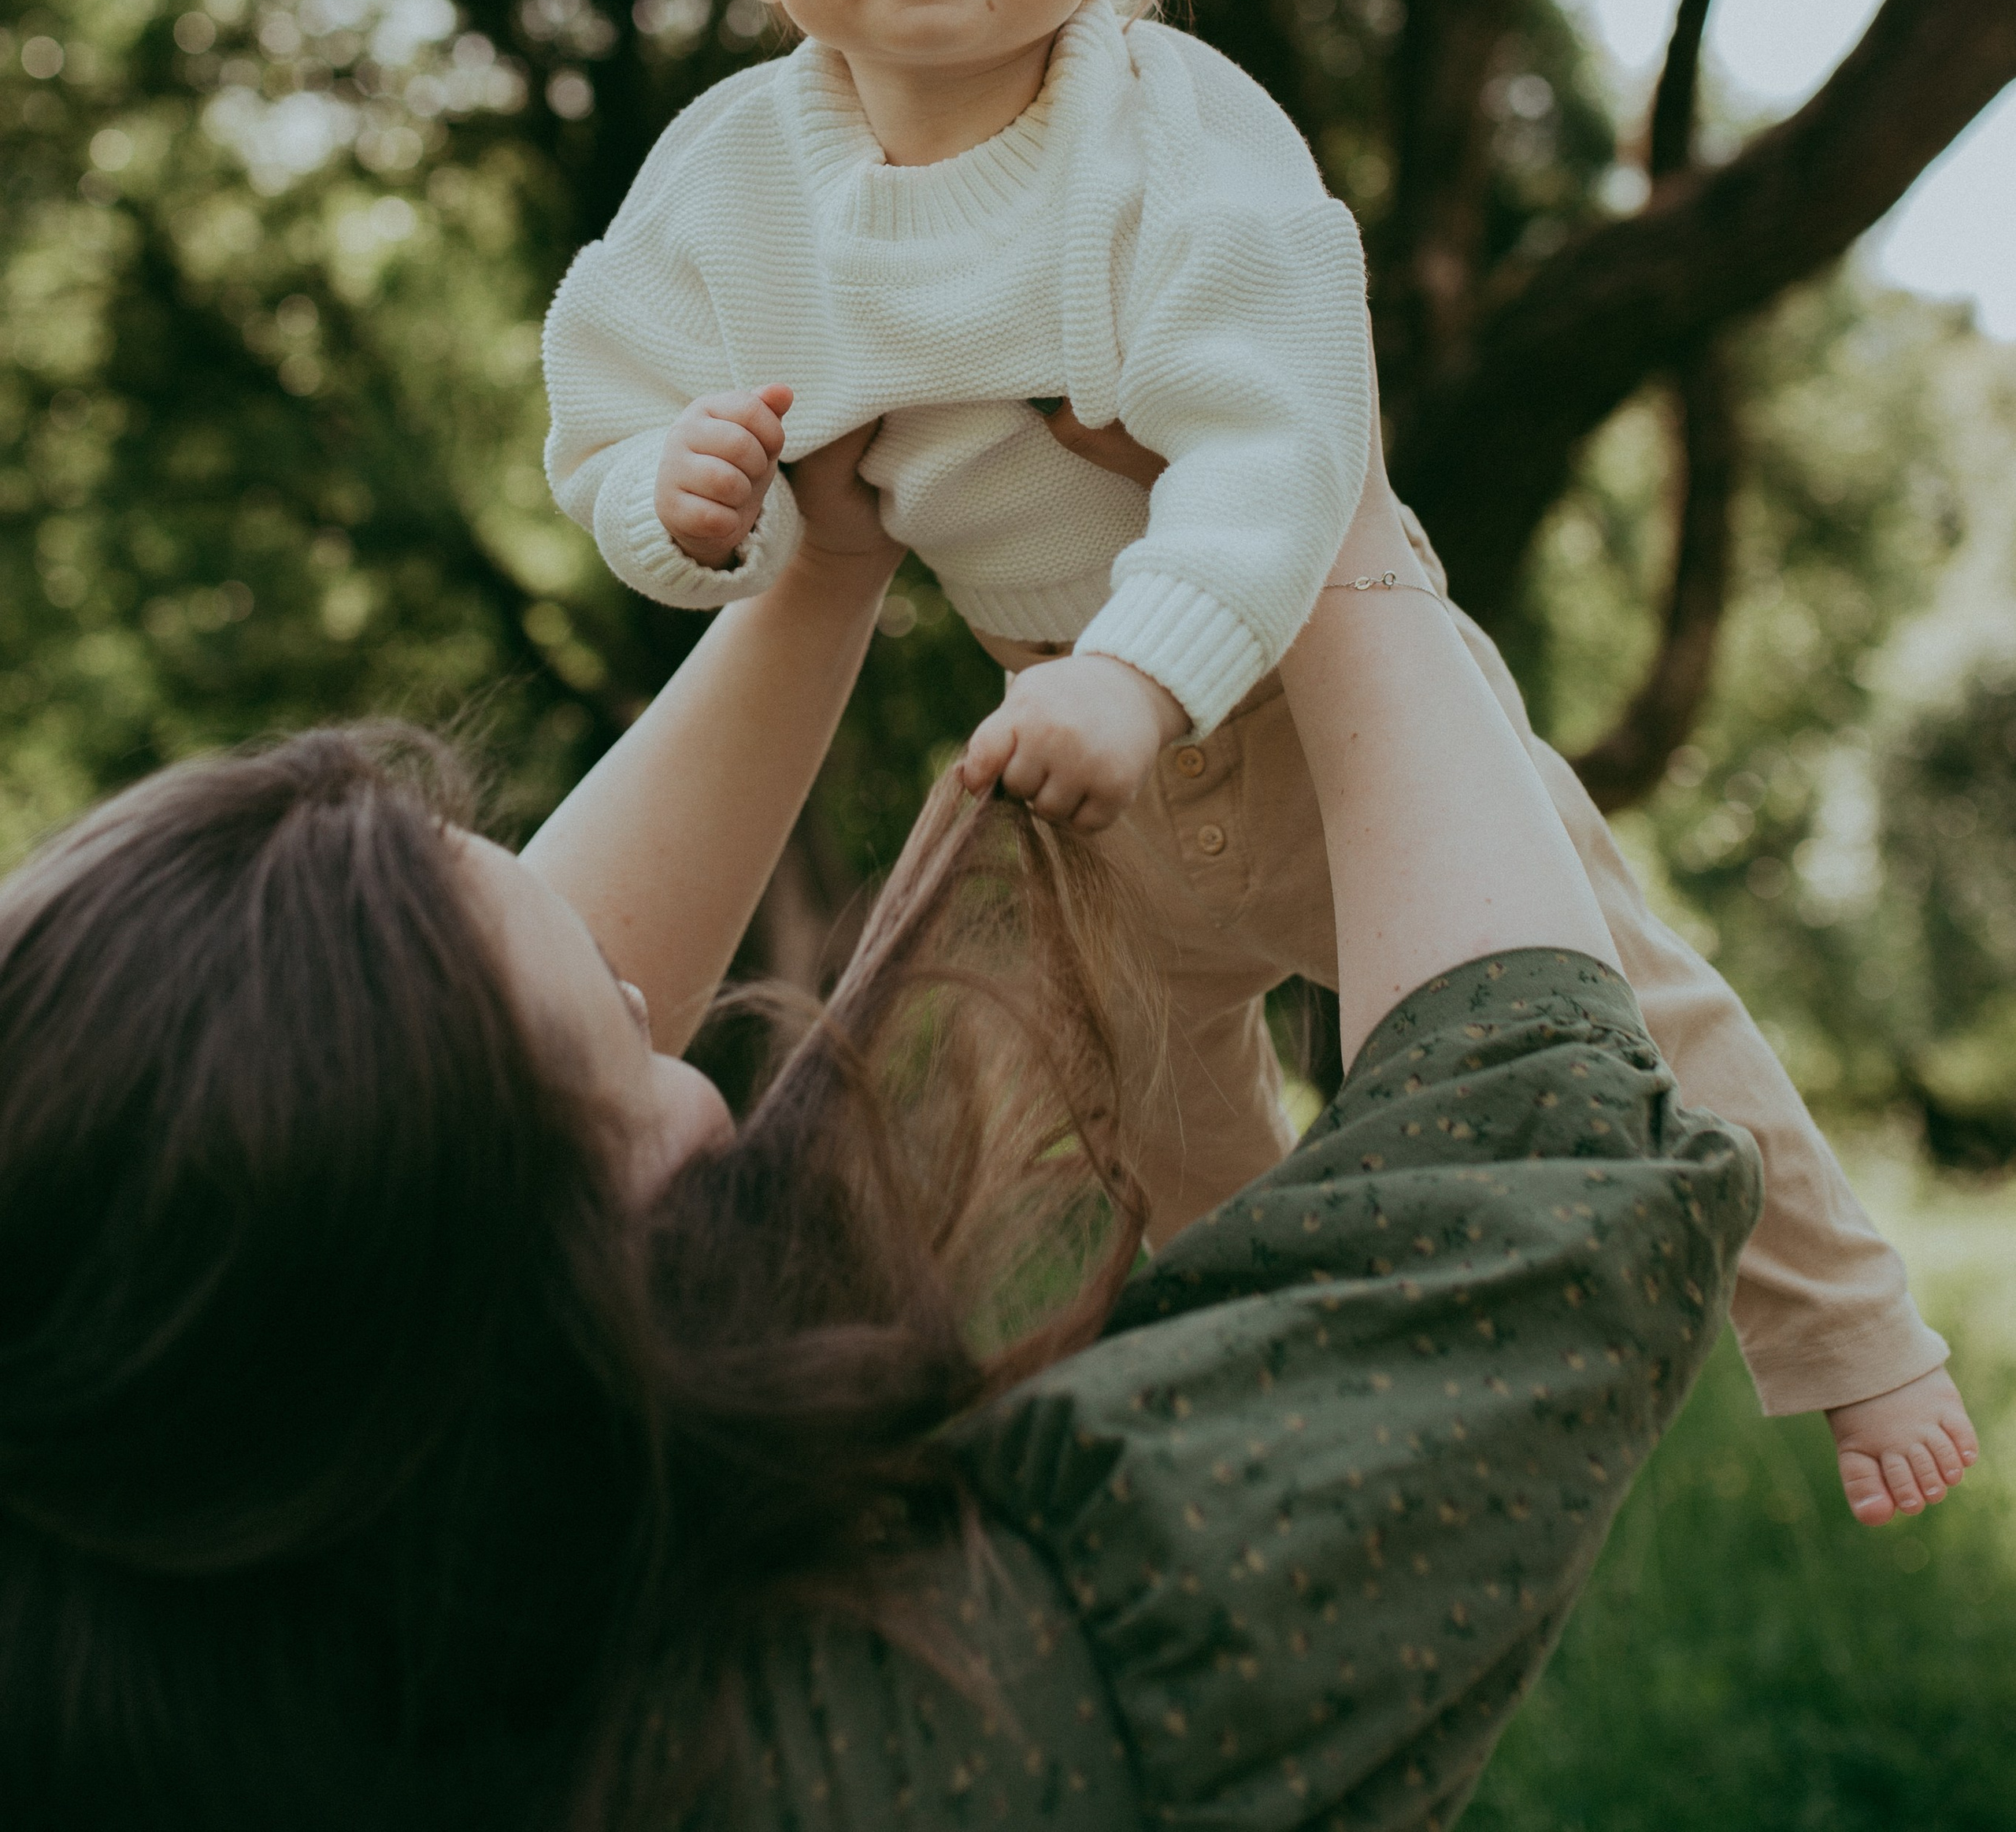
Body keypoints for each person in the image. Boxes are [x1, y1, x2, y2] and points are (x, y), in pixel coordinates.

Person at [542, 0, 1974, 1523]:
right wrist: (673, 497)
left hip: (1300, 703)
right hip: (1062, 758)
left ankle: (1846, 1330)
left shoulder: (1164, 129)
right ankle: (1277, 1441)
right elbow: (608, 402)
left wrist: (1147, 672)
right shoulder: (729, 183)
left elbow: (1275, 441)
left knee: (1612, 1016)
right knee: (1143, 1138)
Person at [0, 418, 1759, 1832]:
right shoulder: (958, 1733)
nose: (680, 1047)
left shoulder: (180, 1585)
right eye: (636, 1055)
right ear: (515, 1325)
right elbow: (1527, 1189)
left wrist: (819, 575)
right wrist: (1328, 514)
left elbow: (433, 1067)